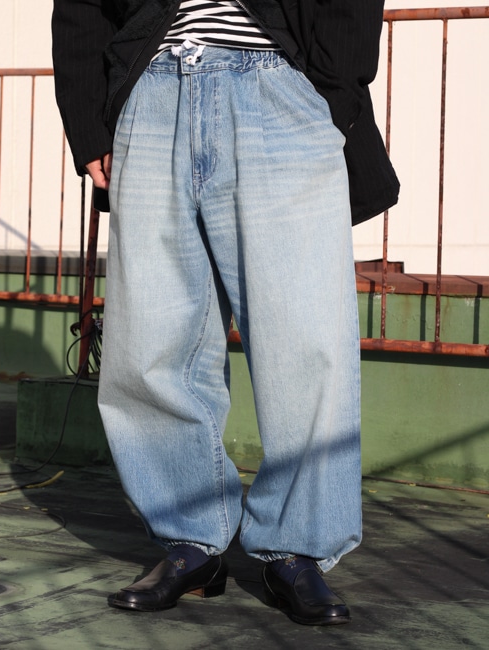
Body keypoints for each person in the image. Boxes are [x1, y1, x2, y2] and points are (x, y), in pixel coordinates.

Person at [52, 0, 399, 626]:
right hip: (151, 88)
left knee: (305, 337)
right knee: (152, 343)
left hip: (278, 83)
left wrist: (332, 97)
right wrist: (88, 124)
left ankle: (297, 549)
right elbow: (80, 7)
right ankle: (190, 540)